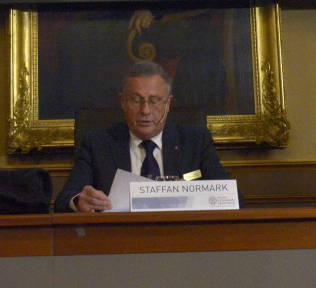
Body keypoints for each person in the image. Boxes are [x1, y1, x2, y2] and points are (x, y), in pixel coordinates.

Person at [54, 60, 232, 212]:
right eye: (137, 100)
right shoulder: (98, 144)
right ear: (123, 102)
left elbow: (232, 195)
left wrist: (196, 192)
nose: (145, 110)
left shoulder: (196, 142)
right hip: (117, 243)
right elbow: (65, 200)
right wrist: (80, 201)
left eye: (154, 101)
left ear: (167, 103)